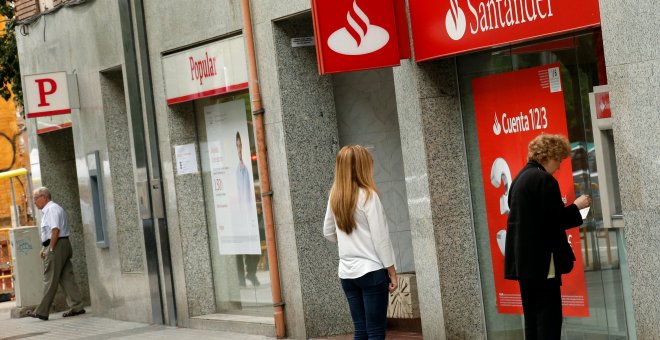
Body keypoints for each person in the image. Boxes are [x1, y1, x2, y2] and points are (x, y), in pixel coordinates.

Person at [504, 134, 591, 339]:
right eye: (559, 159)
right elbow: (556, 219)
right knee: (549, 318)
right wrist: (577, 207)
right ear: (549, 156)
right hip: (543, 263)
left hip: (523, 264)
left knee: (532, 318)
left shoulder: (520, 179)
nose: (559, 165)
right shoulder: (544, 180)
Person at [324, 145, 397, 340]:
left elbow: (327, 232)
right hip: (372, 270)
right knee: (375, 331)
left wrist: (349, 244)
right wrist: (392, 271)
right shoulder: (368, 196)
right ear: (363, 167)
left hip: (347, 273)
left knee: (361, 331)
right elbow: (381, 239)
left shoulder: (335, 196)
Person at [27, 187, 85, 320]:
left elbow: (55, 230)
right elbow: (50, 233)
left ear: (44, 197)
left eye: (36, 198)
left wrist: (51, 249)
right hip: (61, 244)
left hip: (57, 244)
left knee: (49, 279)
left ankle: (41, 311)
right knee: (66, 277)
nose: (34, 202)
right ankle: (77, 306)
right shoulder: (52, 209)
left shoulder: (51, 209)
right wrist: (44, 248)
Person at [235, 131, 260, 287]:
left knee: (254, 246)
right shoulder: (235, 171)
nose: (239, 149)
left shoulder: (248, 169)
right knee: (238, 248)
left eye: (240, 145)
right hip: (238, 214)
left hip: (251, 214)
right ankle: (241, 278)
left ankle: (251, 273)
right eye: (237, 145)